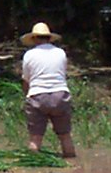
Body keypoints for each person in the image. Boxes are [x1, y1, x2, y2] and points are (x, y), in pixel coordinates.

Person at [18, 22, 75, 158]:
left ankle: (33, 168)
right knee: (65, 136)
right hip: (60, 95)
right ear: (49, 38)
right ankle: (72, 163)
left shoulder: (29, 55)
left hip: (37, 95)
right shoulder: (60, 53)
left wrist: (27, 97)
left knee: (35, 138)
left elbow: (26, 80)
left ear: (34, 39)